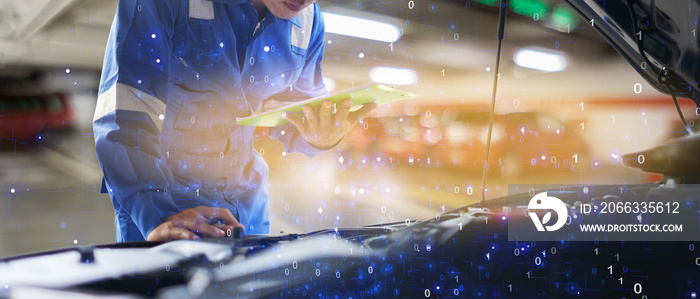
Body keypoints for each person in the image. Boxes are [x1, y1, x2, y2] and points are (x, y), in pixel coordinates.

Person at [93, 0, 374, 242]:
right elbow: (126, 114)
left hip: (247, 217)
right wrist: (156, 212)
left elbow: (293, 114)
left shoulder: (310, 22)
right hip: (168, 215)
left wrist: (317, 139)